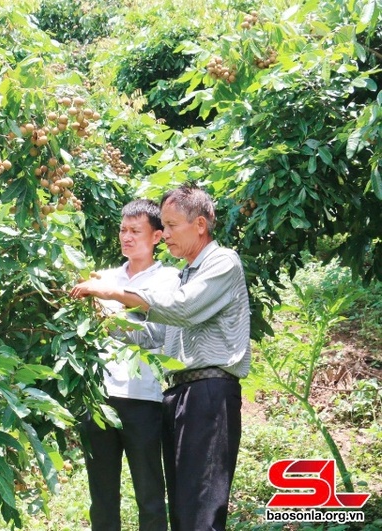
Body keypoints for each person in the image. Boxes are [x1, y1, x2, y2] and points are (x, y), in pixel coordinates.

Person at [70, 183, 251, 531]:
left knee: (202, 504)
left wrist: (115, 292)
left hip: (209, 392)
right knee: (182, 503)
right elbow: (153, 336)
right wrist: (99, 315)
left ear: (199, 225)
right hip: (179, 394)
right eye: (164, 226)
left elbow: (182, 309)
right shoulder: (186, 273)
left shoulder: (221, 262)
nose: (165, 234)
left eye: (170, 226)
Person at [81, 199, 180, 531]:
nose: (126, 237)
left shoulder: (168, 280)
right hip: (98, 399)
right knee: (102, 496)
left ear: (156, 236)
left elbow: (153, 336)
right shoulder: (104, 277)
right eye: (123, 230)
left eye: (135, 231)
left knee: (150, 494)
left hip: (143, 400)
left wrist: (106, 310)